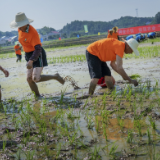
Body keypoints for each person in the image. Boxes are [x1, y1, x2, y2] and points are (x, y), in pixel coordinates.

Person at [10, 12, 65, 97]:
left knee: (36, 78)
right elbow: (25, 40)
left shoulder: (33, 33)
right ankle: (38, 97)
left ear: (26, 23)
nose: (20, 27)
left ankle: (55, 76)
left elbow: (38, 48)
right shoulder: (20, 29)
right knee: (29, 79)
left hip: (37, 54)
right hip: (28, 54)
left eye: (21, 25)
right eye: (18, 25)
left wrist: (31, 61)